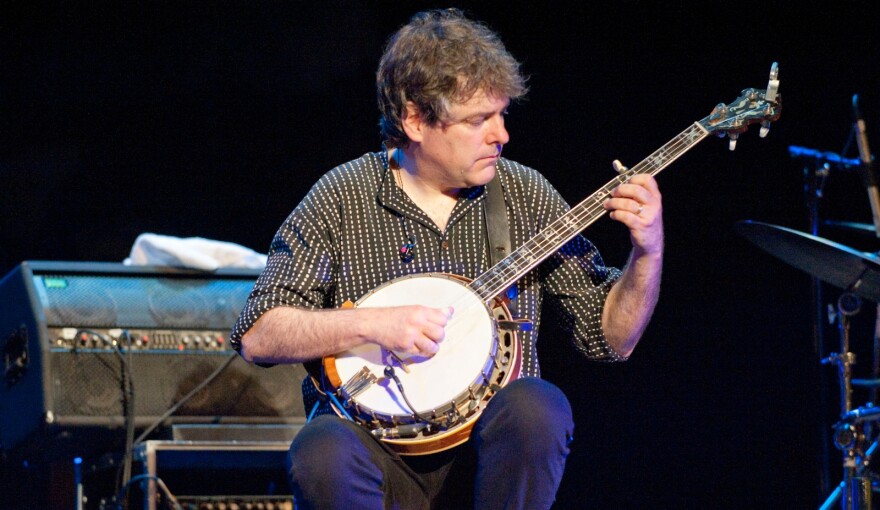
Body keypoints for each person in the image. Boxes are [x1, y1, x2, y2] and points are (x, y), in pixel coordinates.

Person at [230, 8, 663, 509]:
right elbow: (259, 334)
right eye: (479, 119)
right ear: (415, 119)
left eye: (501, 114)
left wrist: (647, 250)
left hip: (488, 461)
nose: (501, 134)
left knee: (538, 407)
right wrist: (372, 325)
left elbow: (609, 339)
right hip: (376, 453)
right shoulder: (342, 196)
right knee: (321, 449)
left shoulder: (524, 194)